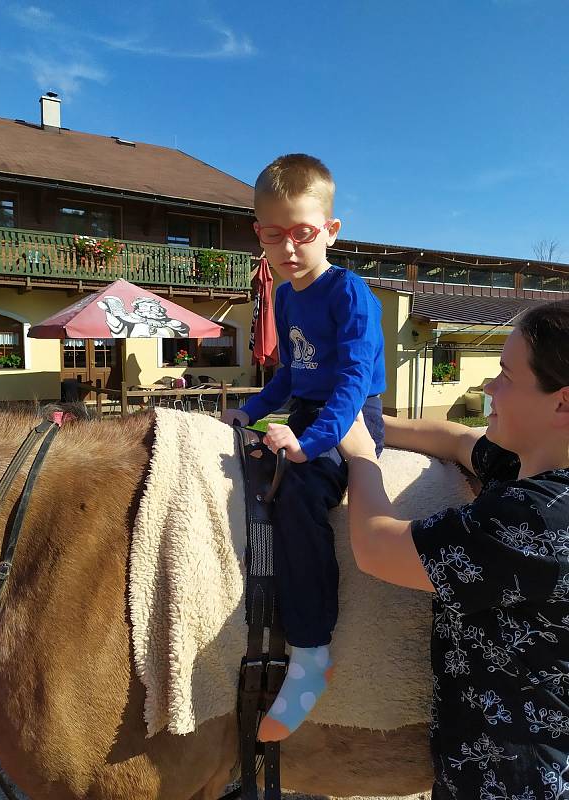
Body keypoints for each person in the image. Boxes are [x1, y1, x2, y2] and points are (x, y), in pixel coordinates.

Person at [338, 299, 569, 800]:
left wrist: (361, 458)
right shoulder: (527, 467)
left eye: (506, 375)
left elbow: (377, 547)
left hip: (513, 781)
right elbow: (456, 439)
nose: (489, 388)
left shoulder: (535, 519)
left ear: (562, 403)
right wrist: (370, 423)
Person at [221, 153, 386, 741]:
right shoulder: (286, 297)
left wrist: (310, 444)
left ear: (330, 231)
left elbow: (349, 383)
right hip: (310, 412)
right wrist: (252, 409)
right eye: (273, 235)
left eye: (302, 234)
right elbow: (291, 374)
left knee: (300, 496)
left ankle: (312, 653)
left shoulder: (352, 294)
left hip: (351, 419)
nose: (288, 248)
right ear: (258, 235)